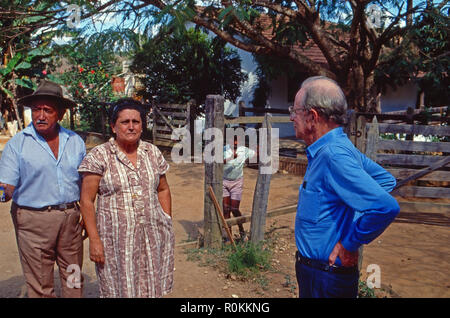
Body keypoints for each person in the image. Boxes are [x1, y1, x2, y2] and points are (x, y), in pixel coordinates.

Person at [290, 76, 400, 298]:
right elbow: (385, 181)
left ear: (312, 116)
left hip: (325, 279)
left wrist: (350, 242)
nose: (291, 116)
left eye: (296, 110)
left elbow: (386, 206)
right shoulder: (334, 147)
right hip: (320, 274)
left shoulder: (334, 155)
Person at [78, 98, 174, 298]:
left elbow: (163, 189)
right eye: (125, 122)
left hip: (152, 237)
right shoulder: (99, 156)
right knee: (119, 289)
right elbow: (87, 201)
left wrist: (166, 219)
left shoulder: (152, 153)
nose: (131, 127)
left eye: (136, 122)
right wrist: (94, 240)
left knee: (151, 286)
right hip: (116, 243)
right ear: (113, 126)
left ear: (142, 126)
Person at [0, 80, 86, 297]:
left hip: (71, 219)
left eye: (47, 110)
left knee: (74, 276)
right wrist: (1, 194)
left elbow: (85, 182)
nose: (40, 115)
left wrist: (87, 210)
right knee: (40, 283)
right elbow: (6, 187)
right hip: (33, 221)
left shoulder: (75, 141)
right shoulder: (18, 144)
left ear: (61, 113)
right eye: (36, 109)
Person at [223, 136, 256, 239]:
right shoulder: (225, 149)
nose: (236, 143)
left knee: (234, 208)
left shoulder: (244, 150)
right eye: (234, 140)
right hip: (224, 182)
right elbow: (219, 162)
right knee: (226, 209)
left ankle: (241, 230)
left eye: (238, 140)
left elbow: (255, 154)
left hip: (237, 182)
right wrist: (232, 157)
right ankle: (229, 236)